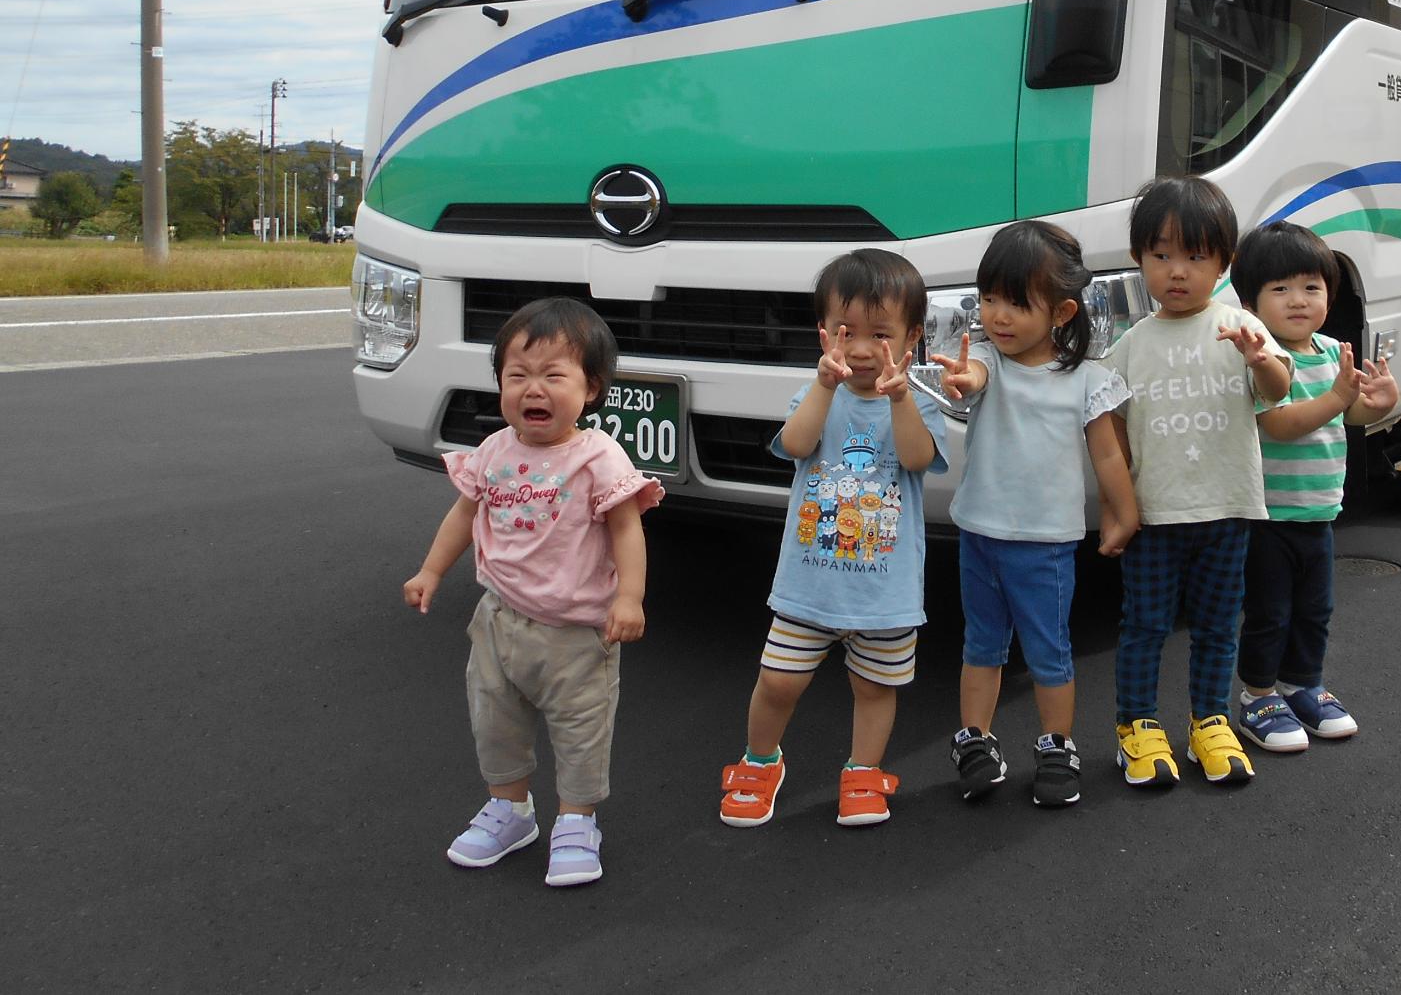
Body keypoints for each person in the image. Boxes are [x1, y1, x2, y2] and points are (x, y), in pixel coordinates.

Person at [403, 297, 662, 887]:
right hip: (497, 621)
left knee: (580, 729)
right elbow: (464, 516)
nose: (532, 389)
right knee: (495, 721)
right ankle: (510, 808)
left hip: (575, 634)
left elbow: (627, 529)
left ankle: (577, 819)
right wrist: (431, 572)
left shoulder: (597, 456)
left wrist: (629, 597)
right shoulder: (494, 450)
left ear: (591, 388)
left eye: (553, 375)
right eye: (516, 376)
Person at [719, 248, 951, 830]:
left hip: (885, 591)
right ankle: (759, 760)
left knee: (874, 687)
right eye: (848, 331)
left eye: (882, 332)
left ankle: (863, 771)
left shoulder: (918, 403)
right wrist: (823, 387)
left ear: (912, 337)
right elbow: (796, 446)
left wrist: (900, 397)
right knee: (777, 680)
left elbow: (918, 457)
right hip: (809, 584)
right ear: (825, 334)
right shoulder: (817, 395)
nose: (864, 348)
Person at [930, 220, 1141, 809]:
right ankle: (974, 741)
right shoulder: (988, 368)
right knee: (981, 646)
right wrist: (963, 376)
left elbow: (1108, 452)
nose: (998, 315)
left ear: (1062, 311)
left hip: (1046, 544)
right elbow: (968, 381)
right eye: (989, 298)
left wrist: (1123, 513)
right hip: (979, 536)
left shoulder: (1085, 382)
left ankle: (1056, 746)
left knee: (1049, 650)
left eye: (1017, 303)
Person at [1102, 175, 1291, 788]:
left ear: (1223, 263)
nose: (1176, 271)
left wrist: (1258, 358)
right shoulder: (1130, 346)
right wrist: (1120, 506)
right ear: (1139, 261)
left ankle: (1210, 721)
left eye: (1195, 256)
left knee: (1216, 625)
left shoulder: (1241, 326)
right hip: (1156, 516)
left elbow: (1277, 392)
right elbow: (1111, 433)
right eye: (1160, 256)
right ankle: (1137, 726)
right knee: (1145, 626)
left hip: (1228, 509)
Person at [1230, 221, 1399, 751]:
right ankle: (1257, 695)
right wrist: (1336, 398)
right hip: (1270, 516)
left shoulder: (1330, 352)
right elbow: (1278, 423)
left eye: (1311, 288)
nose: (1298, 301)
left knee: (1314, 610)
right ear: (1251, 302)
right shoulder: (1261, 358)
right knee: (1269, 612)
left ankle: (1302, 684)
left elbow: (1350, 416)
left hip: (1320, 512)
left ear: (1331, 293)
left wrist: (1379, 403)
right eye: (1280, 289)